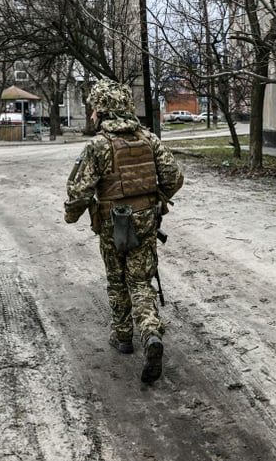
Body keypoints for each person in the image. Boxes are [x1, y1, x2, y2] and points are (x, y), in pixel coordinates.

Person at [64, 79, 184, 384]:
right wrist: (155, 199)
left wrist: (71, 215)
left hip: (111, 221)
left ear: (103, 109)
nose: (91, 114)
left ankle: (122, 336)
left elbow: (79, 191)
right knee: (141, 281)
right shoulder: (149, 139)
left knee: (117, 280)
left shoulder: (98, 146)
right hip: (145, 220)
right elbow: (174, 177)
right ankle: (151, 334)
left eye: (93, 108)